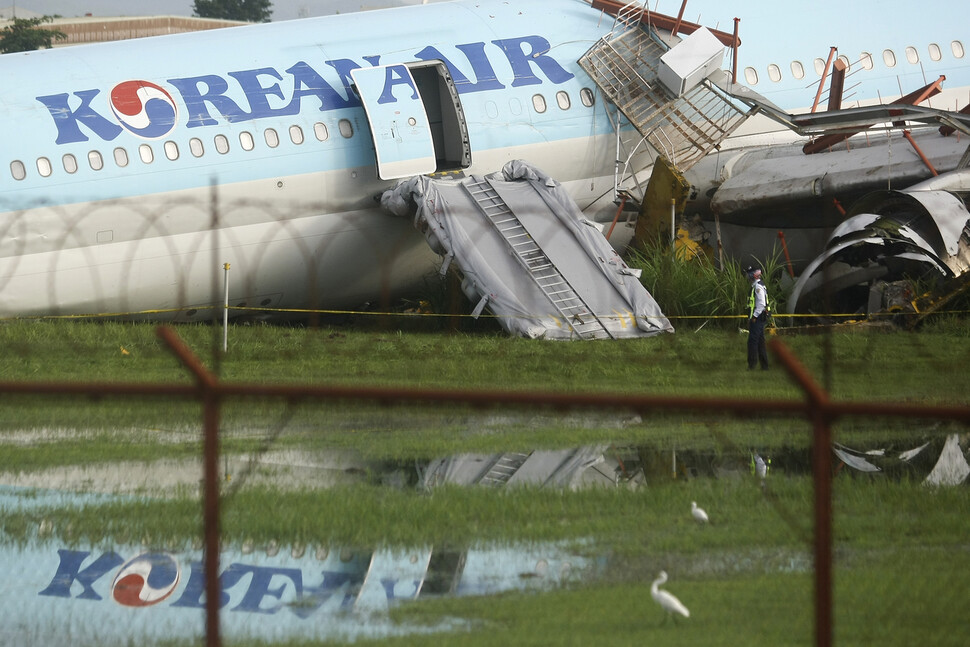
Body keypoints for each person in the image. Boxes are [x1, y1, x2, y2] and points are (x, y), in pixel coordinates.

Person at [746, 266, 770, 370]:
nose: (747, 276)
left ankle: (752, 365)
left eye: (749, 274)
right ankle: (764, 366)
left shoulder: (757, 287)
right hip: (759, 317)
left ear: (753, 275)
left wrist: (754, 317)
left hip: (758, 317)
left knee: (752, 341)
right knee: (760, 342)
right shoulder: (758, 285)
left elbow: (761, 304)